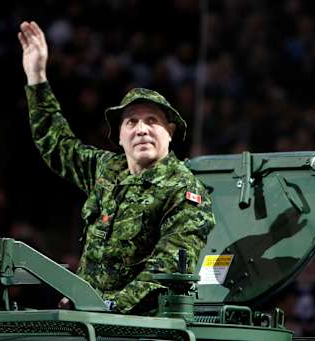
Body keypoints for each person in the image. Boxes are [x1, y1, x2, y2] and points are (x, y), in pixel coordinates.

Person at [18, 21, 215, 314]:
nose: (142, 129)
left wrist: (102, 308)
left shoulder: (184, 191)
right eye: (131, 122)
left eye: (152, 121)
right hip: (90, 321)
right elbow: (57, 144)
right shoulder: (107, 170)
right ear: (120, 136)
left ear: (170, 132)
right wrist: (37, 78)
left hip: (137, 326)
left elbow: (167, 269)